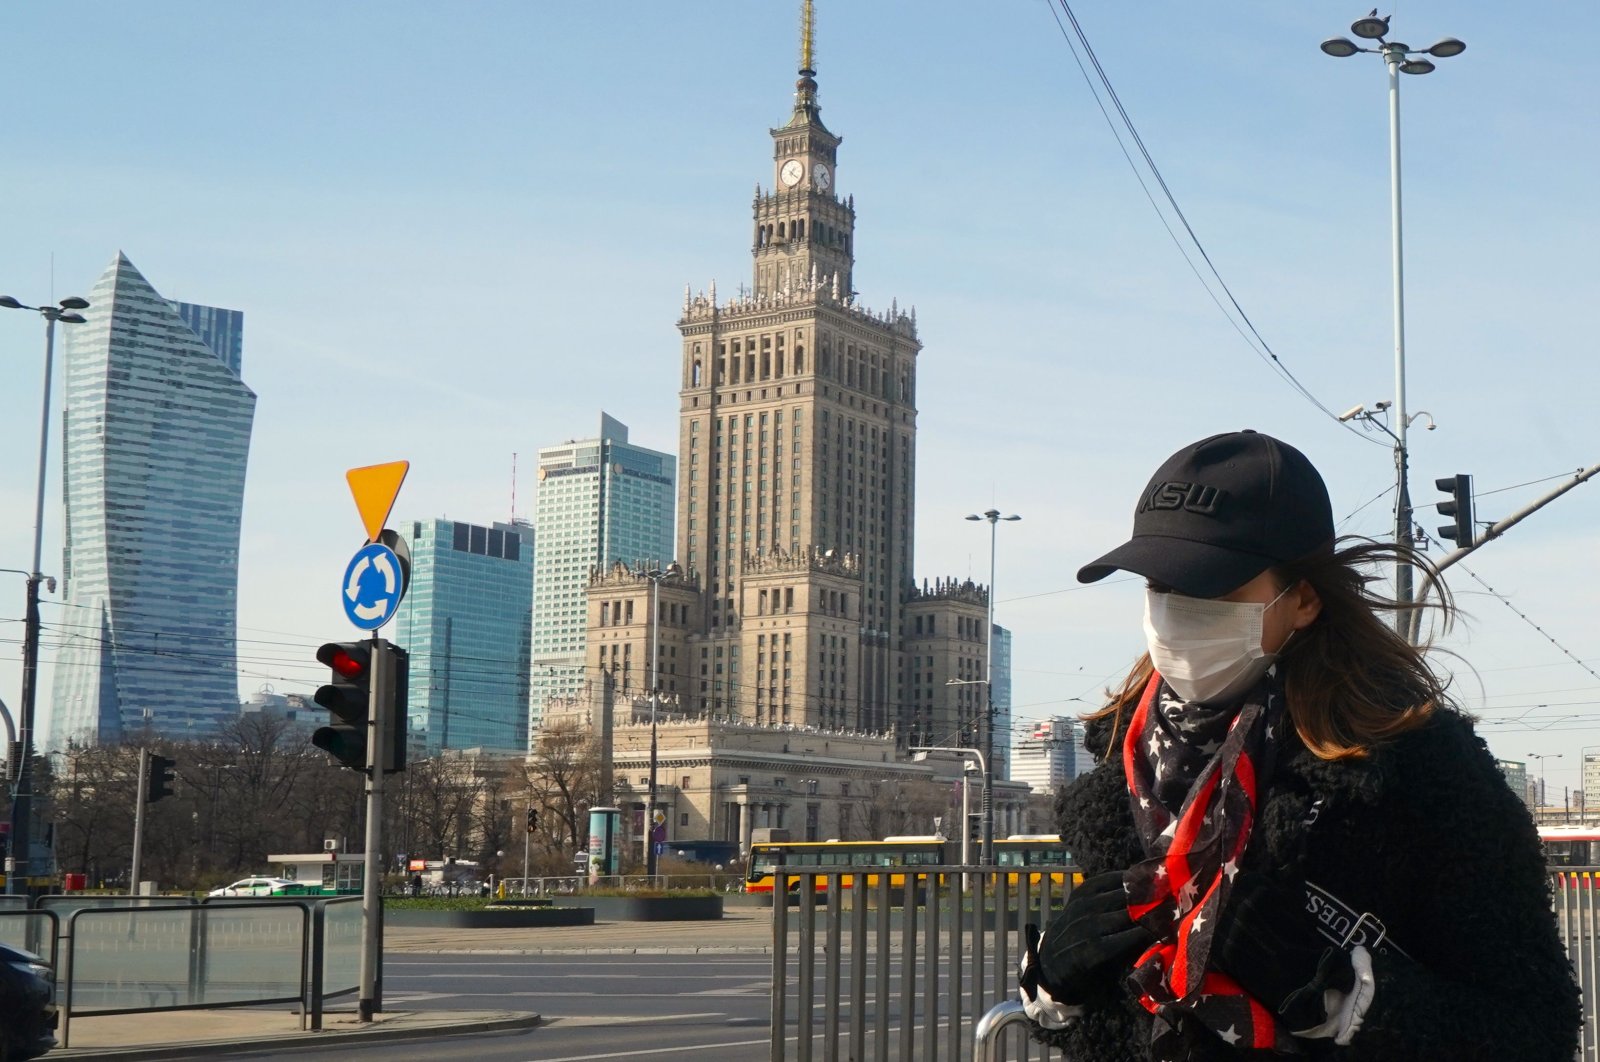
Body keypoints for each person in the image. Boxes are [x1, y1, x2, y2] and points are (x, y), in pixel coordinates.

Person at [1017, 430, 1580, 1061]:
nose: (1177, 612)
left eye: (1211, 586)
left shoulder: (1418, 769)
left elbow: (1536, 1030)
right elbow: (1116, 1036)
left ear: (1304, 599)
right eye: (1161, 586)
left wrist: (1347, 1000)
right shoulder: (1123, 778)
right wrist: (1054, 994)